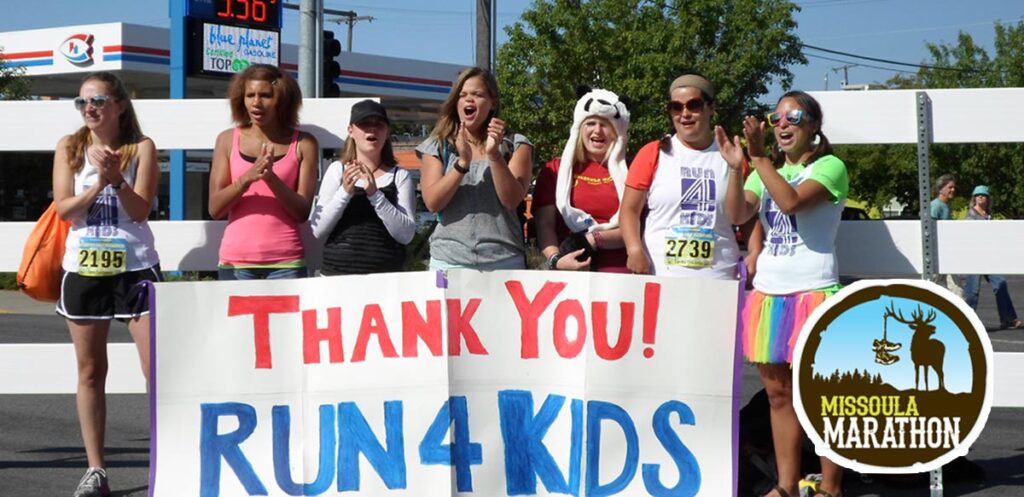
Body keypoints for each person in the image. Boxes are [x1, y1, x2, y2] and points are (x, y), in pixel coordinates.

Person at [718, 91, 849, 497]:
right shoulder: (763, 170)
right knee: (778, 396)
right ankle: (787, 485)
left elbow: (790, 202)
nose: (783, 124)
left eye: (793, 116)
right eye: (776, 118)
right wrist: (736, 170)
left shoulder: (830, 167)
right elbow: (737, 214)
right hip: (770, 296)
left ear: (813, 125)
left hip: (814, 292)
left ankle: (831, 487)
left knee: (822, 398)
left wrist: (758, 158)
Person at [53, 71, 160, 497]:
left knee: (158, 370)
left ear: (119, 105)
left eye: (97, 100)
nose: (89, 109)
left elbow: (140, 210)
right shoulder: (70, 147)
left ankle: (169, 457)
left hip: (135, 267)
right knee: (90, 370)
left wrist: (117, 178)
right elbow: (64, 209)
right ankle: (95, 468)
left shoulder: (142, 147)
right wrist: (98, 182)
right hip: (84, 269)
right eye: (82, 102)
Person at [620, 73, 741, 279]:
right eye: (676, 107)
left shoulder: (732, 156)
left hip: (719, 277)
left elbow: (746, 216)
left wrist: (754, 252)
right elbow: (629, 210)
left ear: (710, 107)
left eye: (693, 105)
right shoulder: (653, 152)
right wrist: (634, 249)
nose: (685, 114)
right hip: (661, 275)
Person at [416, 67, 534, 271]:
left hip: (504, 262)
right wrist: (462, 163)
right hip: (448, 263)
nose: (468, 100)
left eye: (477, 94)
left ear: (492, 103)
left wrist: (494, 155)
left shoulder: (516, 145)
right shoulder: (437, 145)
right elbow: (433, 202)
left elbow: (512, 200)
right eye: (462, 95)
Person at [208, 64, 319, 280]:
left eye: (266, 95)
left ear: (283, 99)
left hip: (286, 262)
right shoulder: (227, 140)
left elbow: (302, 212)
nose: (256, 103)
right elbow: (215, 208)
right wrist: (247, 178)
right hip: (236, 263)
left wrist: (271, 179)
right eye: (250, 95)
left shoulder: (304, 143)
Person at [310, 99, 417, 274]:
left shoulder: (400, 176)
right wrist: (344, 192)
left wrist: (375, 195)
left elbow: (406, 235)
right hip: (336, 275)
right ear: (351, 131)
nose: (372, 129)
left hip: (386, 278)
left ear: (387, 132)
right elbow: (317, 229)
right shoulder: (337, 170)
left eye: (379, 124)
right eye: (364, 124)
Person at [534, 87, 630, 273]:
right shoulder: (555, 169)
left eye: (605, 125)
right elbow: (545, 224)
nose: (597, 131)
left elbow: (637, 226)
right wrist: (556, 260)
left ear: (616, 131)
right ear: (579, 128)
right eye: (590, 123)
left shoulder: (631, 170)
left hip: (620, 272)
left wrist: (594, 239)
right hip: (568, 270)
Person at [963, 185, 1023, 329]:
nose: (981, 197)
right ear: (974, 198)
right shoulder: (970, 216)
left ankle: (1008, 319)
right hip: (974, 257)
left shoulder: (988, 215)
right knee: (972, 291)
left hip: (988, 257)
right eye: (978, 195)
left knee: (1000, 284)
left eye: (983, 195)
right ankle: (965, 321)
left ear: (988, 199)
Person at [929, 173, 964, 297]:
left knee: (957, 290)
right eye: (950, 187)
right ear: (941, 189)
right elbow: (930, 229)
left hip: (947, 254)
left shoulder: (946, 206)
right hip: (936, 255)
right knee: (932, 287)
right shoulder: (935, 206)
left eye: (954, 187)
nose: (953, 190)